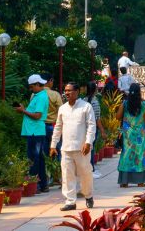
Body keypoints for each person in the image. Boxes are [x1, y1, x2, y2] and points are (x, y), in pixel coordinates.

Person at [50, 81, 96, 211]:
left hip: (82, 148)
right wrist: (53, 145)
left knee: (85, 173)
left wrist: (88, 142)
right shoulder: (62, 108)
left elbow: (91, 126)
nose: (67, 93)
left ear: (77, 92)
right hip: (66, 148)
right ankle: (70, 201)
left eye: (70, 90)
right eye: (65, 90)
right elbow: (58, 127)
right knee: (67, 175)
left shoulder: (86, 107)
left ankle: (89, 195)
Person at [16, 75, 50, 193]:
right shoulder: (39, 95)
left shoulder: (40, 97)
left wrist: (23, 111)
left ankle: (35, 185)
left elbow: (37, 115)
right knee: (39, 158)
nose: (31, 89)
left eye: (31, 87)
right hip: (35, 131)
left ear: (37, 84)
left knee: (33, 159)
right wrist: (25, 110)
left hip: (35, 132)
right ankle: (42, 184)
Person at [117, 82, 145, 187]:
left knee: (126, 156)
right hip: (140, 135)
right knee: (140, 155)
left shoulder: (125, 104)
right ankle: (140, 181)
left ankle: (124, 181)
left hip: (127, 135)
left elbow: (117, 117)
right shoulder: (144, 104)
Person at [44, 78, 63, 172]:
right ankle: (57, 174)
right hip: (53, 125)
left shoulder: (34, 95)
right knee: (57, 150)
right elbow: (61, 110)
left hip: (40, 126)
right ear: (49, 81)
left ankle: (47, 175)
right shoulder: (55, 94)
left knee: (44, 152)